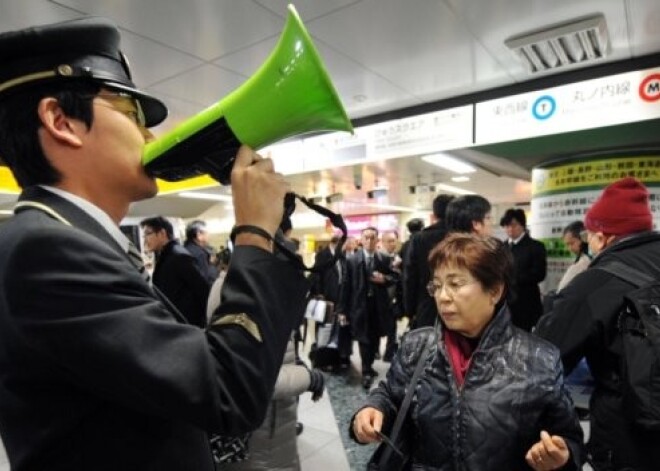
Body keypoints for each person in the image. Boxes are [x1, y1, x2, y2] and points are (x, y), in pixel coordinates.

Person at [0, 17, 309, 471]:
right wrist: (255, 234)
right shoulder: (44, 249)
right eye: (131, 115)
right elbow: (227, 392)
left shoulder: (53, 238)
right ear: (61, 120)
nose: (148, 136)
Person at [351, 233, 584, 470]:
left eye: (455, 284)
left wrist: (561, 456)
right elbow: (391, 395)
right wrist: (373, 408)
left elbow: (569, 437)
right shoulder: (417, 345)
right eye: (437, 285)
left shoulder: (538, 359)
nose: (442, 297)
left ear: (494, 290)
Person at [536, 177, 660, 471]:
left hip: (629, 437)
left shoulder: (595, 282)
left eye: (590, 234)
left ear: (603, 236)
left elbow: (546, 355)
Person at [337, 226, 398, 389]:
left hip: (378, 307)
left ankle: (369, 366)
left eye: (372, 238)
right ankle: (365, 372)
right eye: (366, 237)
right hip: (359, 306)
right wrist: (342, 310)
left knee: (374, 338)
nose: (369, 241)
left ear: (377, 240)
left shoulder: (383, 259)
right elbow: (346, 285)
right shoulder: (351, 260)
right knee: (363, 339)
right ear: (361, 240)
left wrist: (384, 279)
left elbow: (395, 278)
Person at [140, 216, 210, 327]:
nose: (145, 240)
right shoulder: (165, 255)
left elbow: (203, 290)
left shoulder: (179, 255)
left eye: (148, 234)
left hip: (187, 325)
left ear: (162, 233)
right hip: (175, 323)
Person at [403, 194, 454, 328]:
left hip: (427, 304)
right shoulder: (461, 236)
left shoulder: (419, 239)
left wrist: (410, 310)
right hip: (458, 304)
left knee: (429, 345)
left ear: (434, 214)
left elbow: (410, 277)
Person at [499, 208, 547, 332]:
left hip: (527, 302)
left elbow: (540, 274)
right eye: (506, 226)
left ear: (522, 225)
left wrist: (512, 278)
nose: (509, 229)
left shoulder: (535, 247)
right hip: (505, 303)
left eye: (513, 225)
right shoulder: (501, 247)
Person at [309, 233, 350, 370]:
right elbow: (316, 275)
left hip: (340, 298)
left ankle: (333, 359)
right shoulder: (323, 255)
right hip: (326, 299)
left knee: (336, 330)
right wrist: (320, 294)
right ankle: (321, 360)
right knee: (324, 330)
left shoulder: (342, 257)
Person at [380, 229, 402, 361]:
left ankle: (389, 353)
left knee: (392, 327)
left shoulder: (399, 258)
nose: (391, 244)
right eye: (388, 241)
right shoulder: (378, 257)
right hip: (381, 298)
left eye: (393, 241)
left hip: (394, 298)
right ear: (383, 242)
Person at [556, 220, 591, 292]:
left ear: (584, 238)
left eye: (572, 243)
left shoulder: (584, 262)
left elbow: (561, 290)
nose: (570, 248)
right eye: (567, 245)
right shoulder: (584, 260)